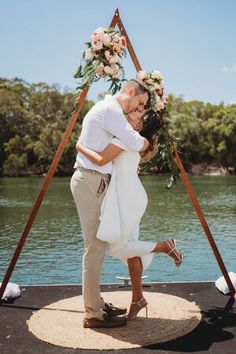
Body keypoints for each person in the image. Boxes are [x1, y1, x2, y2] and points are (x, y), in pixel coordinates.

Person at [76, 109, 183, 321]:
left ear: (140, 124)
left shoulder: (127, 139)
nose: (133, 115)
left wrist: (79, 146)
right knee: (130, 250)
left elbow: (99, 160)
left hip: (128, 199)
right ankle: (138, 299)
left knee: (117, 248)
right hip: (130, 196)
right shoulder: (136, 141)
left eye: (138, 114)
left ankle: (163, 246)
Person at [70, 79, 151, 328]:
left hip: (93, 179)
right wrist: (146, 142)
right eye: (140, 102)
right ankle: (93, 313)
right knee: (94, 248)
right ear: (129, 92)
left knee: (100, 245)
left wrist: (80, 146)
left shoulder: (107, 109)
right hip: (92, 179)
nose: (138, 109)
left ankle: (96, 302)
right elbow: (136, 141)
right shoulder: (112, 110)